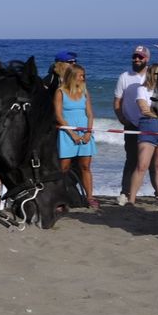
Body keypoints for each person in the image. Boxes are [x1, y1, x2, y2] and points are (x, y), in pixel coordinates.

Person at [126, 64, 158, 208]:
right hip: (148, 125)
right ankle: (131, 199)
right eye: (157, 74)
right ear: (151, 74)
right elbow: (144, 109)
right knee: (142, 165)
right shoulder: (142, 89)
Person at [54, 62, 96, 209]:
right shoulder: (60, 92)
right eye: (81, 76)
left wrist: (88, 132)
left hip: (84, 132)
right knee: (63, 168)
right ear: (72, 76)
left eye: (84, 76)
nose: (83, 78)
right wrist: (71, 133)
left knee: (85, 166)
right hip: (67, 133)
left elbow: (90, 114)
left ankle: (90, 197)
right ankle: (59, 198)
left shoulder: (84, 92)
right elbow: (59, 116)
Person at [114, 45, 150, 205]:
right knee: (131, 159)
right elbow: (117, 101)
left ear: (146, 59)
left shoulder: (153, 75)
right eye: (135, 56)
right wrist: (121, 118)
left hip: (150, 123)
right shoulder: (124, 76)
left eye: (140, 57)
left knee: (154, 161)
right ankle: (125, 192)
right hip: (132, 125)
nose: (136, 59)